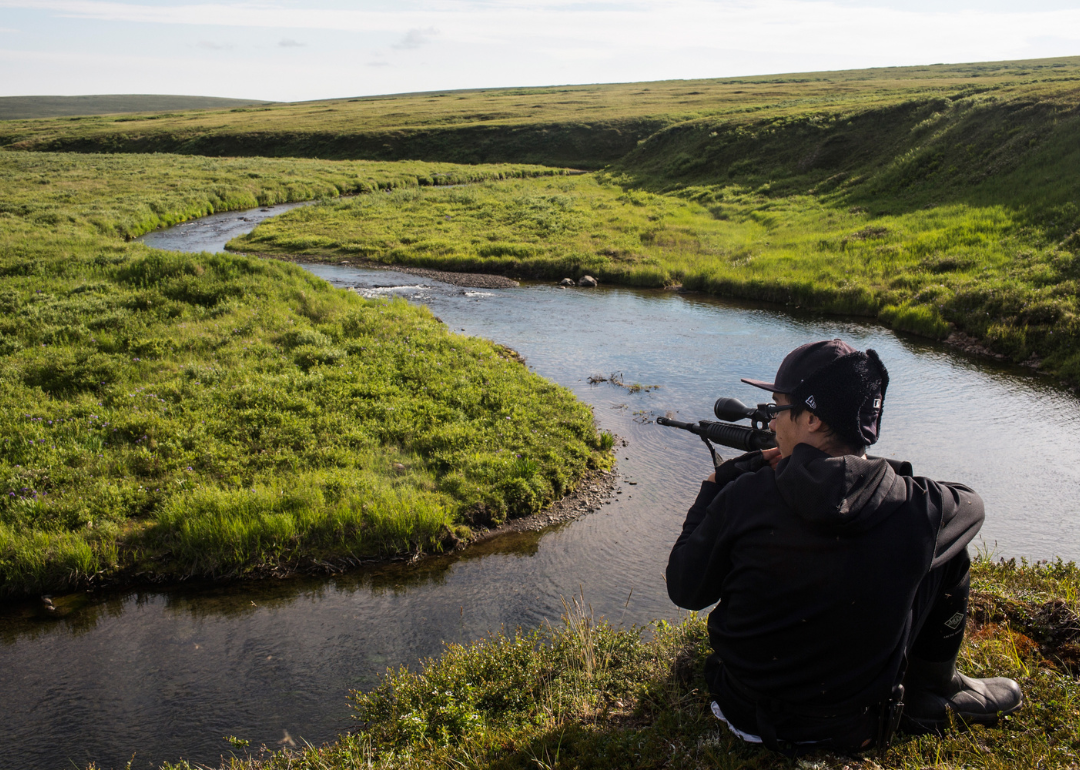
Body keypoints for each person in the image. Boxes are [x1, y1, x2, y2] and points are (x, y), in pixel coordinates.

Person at [665, 339, 1022, 753]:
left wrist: (713, 489)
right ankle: (933, 692)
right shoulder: (917, 505)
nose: (772, 424)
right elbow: (972, 506)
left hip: (743, 711)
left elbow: (685, 590)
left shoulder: (745, 495)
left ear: (812, 418)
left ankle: (931, 694)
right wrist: (874, 475)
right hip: (854, 727)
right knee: (950, 552)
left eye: (778, 409)